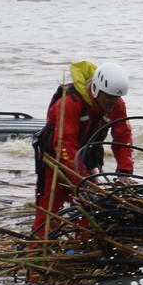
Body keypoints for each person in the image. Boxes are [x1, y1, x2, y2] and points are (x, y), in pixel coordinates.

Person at [30, 60, 133, 245]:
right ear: (96, 90)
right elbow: (65, 147)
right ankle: (37, 263)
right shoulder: (69, 104)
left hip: (84, 162)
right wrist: (84, 182)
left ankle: (82, 251)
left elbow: (122, 137)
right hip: (55, 164)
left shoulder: (116, 104)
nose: (114, 103)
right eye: (110, 98)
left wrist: (124, 171)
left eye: (117, 98)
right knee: (46, 220)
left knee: (90, 213)